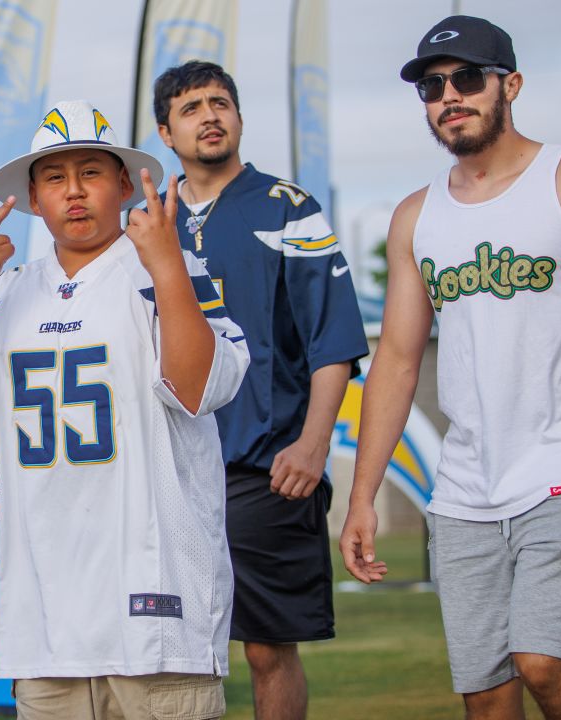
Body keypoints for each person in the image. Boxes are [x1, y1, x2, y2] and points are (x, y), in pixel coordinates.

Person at [339, 15, 561, 720]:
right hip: (465, 489)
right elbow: (398, 362)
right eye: (432, 87)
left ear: (511, 85)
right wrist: (362, 495)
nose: (449, 97)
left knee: (544, 663)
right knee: (487, 697)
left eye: (468, 79)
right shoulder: (416, 217)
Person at [0, 100, 250, 719]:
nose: (73, 192)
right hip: (44, 619)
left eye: (91, 173)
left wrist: (166, 266)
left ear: (124, 184)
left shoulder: (169, 269)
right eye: (54, 177)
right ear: (32, 196)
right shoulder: (8, 290)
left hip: (157, 615)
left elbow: (200, 388)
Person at [152, 61, 369, 720]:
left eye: (220, 103)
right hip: (168, 466)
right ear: (166, 132)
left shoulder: (288, 208)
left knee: (266, 649)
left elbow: (334, 340)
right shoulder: (146, 222)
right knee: (166, 649)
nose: (209, 115)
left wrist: (312, 444)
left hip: (264, 463)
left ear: (239, 118)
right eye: (191, 108)